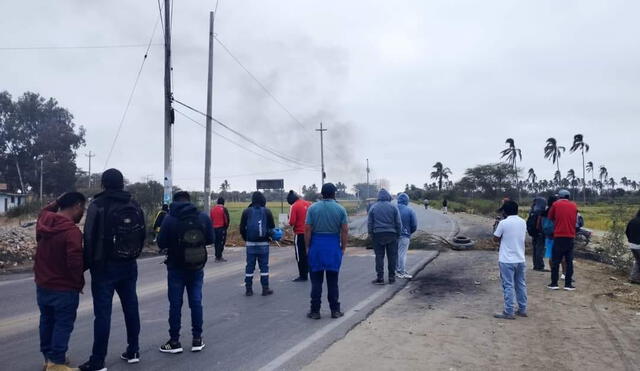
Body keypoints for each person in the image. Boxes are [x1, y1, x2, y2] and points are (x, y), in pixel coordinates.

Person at [80, 169, 146, 371]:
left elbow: (89, 237)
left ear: (103, 184)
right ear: (122, 184)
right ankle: (133, 350)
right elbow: (142, 233)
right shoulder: (133, 204)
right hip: (128, 264)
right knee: (131, 306)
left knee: (102, 314)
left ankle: (98, 361)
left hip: (103, 266)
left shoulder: (98, 205)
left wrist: (88, 265)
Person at [157, 191, 214, 354]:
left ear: (175, 202)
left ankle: (174, 341)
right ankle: (197, 339)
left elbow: (161, 243)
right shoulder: (202, 217)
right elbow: (211, 239)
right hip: (196, 266)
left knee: (175, 304)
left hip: (176, 267)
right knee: (196, 301)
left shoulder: (169, 218)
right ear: (189, 201)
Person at [35, 192, 86, 371]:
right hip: (64, 287)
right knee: (63, 324)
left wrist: (58, 201)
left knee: (47, 321)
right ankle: (56, 364)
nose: (83, 213)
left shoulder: (44, 220)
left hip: (42, 284)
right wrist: (78, 282)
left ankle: (48, 359)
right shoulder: (72, 232)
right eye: (83, 208)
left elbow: (44, 210)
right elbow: (74, 262)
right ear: (77, 206)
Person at [304, 183, 349, 319]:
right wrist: (343, 247)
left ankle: (315, 311)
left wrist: (307, 247)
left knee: (316, 281)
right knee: (332, 281)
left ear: (321, 194)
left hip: (317, 247)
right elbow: (345, 230)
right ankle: (335, 310)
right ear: (334, 194)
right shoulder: (340, 209)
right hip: (332, 246)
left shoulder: (312, 208)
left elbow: (307, 229)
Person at [493, 200, 528, 320]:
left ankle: (509, 311)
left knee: (508, 285)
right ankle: (522, 309)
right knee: (520, 285)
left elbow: (495, 239)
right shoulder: (523, 222)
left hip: (506, 259)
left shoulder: (503, 223)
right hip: (520, 258)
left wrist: (498, 226)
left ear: (505, 211)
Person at [240, 191, 276, 296]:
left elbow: (242, 228)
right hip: (263, 244)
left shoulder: (246, 212)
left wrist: (246, 238)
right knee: (264, 267)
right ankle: (265, 288)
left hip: (250, 244)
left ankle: (248, 289)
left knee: (249, 266)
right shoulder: (267, 212)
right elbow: (271, 228)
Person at [368, 189, 402, 285]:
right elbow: (398, 223)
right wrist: (398, 234)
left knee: (379, 257)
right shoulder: (394, 207)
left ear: (378, 197)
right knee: (392, 257)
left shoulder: (373, 208)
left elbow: (370, 223)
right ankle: (391, 277)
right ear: (388, 197)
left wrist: (371, 234)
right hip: (392, 235)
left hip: (378, 235)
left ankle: (380, 278)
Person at [547, 189, 578, 291]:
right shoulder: (574, 205)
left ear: (559, 197)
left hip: (559, 236)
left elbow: (550, 217)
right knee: (569, 261)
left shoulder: (555, 204)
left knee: (556, 261)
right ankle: (568, 285)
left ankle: (554, 283)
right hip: (570, 236)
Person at [288, 190, 312, 282]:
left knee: (300, 255)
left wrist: (288, 219)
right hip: (310, 233)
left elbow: (292, 222)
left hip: (300, 234)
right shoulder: (309, 203)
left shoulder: (294, 206)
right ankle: (311, 271)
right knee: (309, 253)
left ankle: (303, 275)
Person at [396, 193, 417, 279]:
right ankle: (401, 271)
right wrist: (409, 232)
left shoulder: (394, 208)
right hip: (404, 234)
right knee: (402, 254)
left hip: (394, 235)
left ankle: (396, 270)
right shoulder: (410, 210)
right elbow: (414, 225)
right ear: (407, 201)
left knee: (395, 253)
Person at [527, 196, 547, 271]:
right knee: (540, 249)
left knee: (535, 249)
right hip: (539, 232)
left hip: (533, 232)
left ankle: (535, 265)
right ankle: (540, 266)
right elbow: (539, 222)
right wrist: (541, 231)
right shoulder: (540, 211)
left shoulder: (532, 210)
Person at [539, 195, 558, 272]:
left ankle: (553, 271)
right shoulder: (555, 211)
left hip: (548, 236)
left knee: (551, 255)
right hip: (557, 235)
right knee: (561, 255)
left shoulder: (544, 211)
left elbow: (540, 223)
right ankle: (563, 273)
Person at [210, 197, 230, 262]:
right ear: (223, 202)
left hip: (214, 228)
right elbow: (226, 220)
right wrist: (226, 227)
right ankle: (219, 257)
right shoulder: (224, 209)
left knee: (216, 243)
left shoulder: (212, 209)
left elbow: (211, 219)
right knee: (221, 243)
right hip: (221, 228)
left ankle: (217, 256)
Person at [626, 209, 640, 283]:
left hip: (632, 245)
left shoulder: (632, 221)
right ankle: (634, 278)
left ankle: (633, 278)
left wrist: (630, 240)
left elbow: (627, 232)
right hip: (638, 245)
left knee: (638, 261)